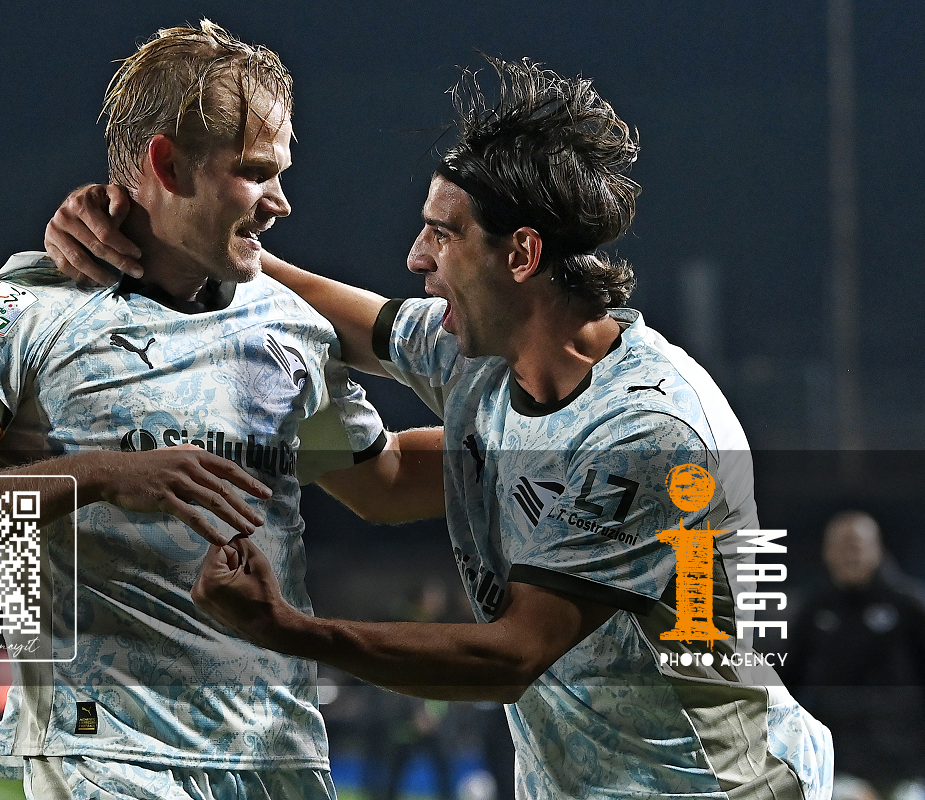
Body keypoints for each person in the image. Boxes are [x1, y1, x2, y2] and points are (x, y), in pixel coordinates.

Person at [50, 56, 834, 799]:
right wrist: (149, 227)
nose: (415, 257)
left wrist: (286, 629)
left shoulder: (647, 431)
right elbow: (374, 448)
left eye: (443, 234)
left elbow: (511, 657)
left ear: (520, 254)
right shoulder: (487, 354)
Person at [0, 20, 443, 800]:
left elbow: (385, 482)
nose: (280, 202)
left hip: (277, 752)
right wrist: (103, 476)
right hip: (105, 751)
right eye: (254, 173)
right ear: (166, 164)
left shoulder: (288, 327)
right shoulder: (17, 315)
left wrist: (573, 456)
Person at [784, 511, 925, 797]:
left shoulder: (910, 606)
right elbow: (787, 683)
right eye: (841, 547)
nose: (850, 555)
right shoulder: (812, 610)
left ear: (877, 549)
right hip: (838, 761)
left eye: (857, 546)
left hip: (906, 763)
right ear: (826, 553)